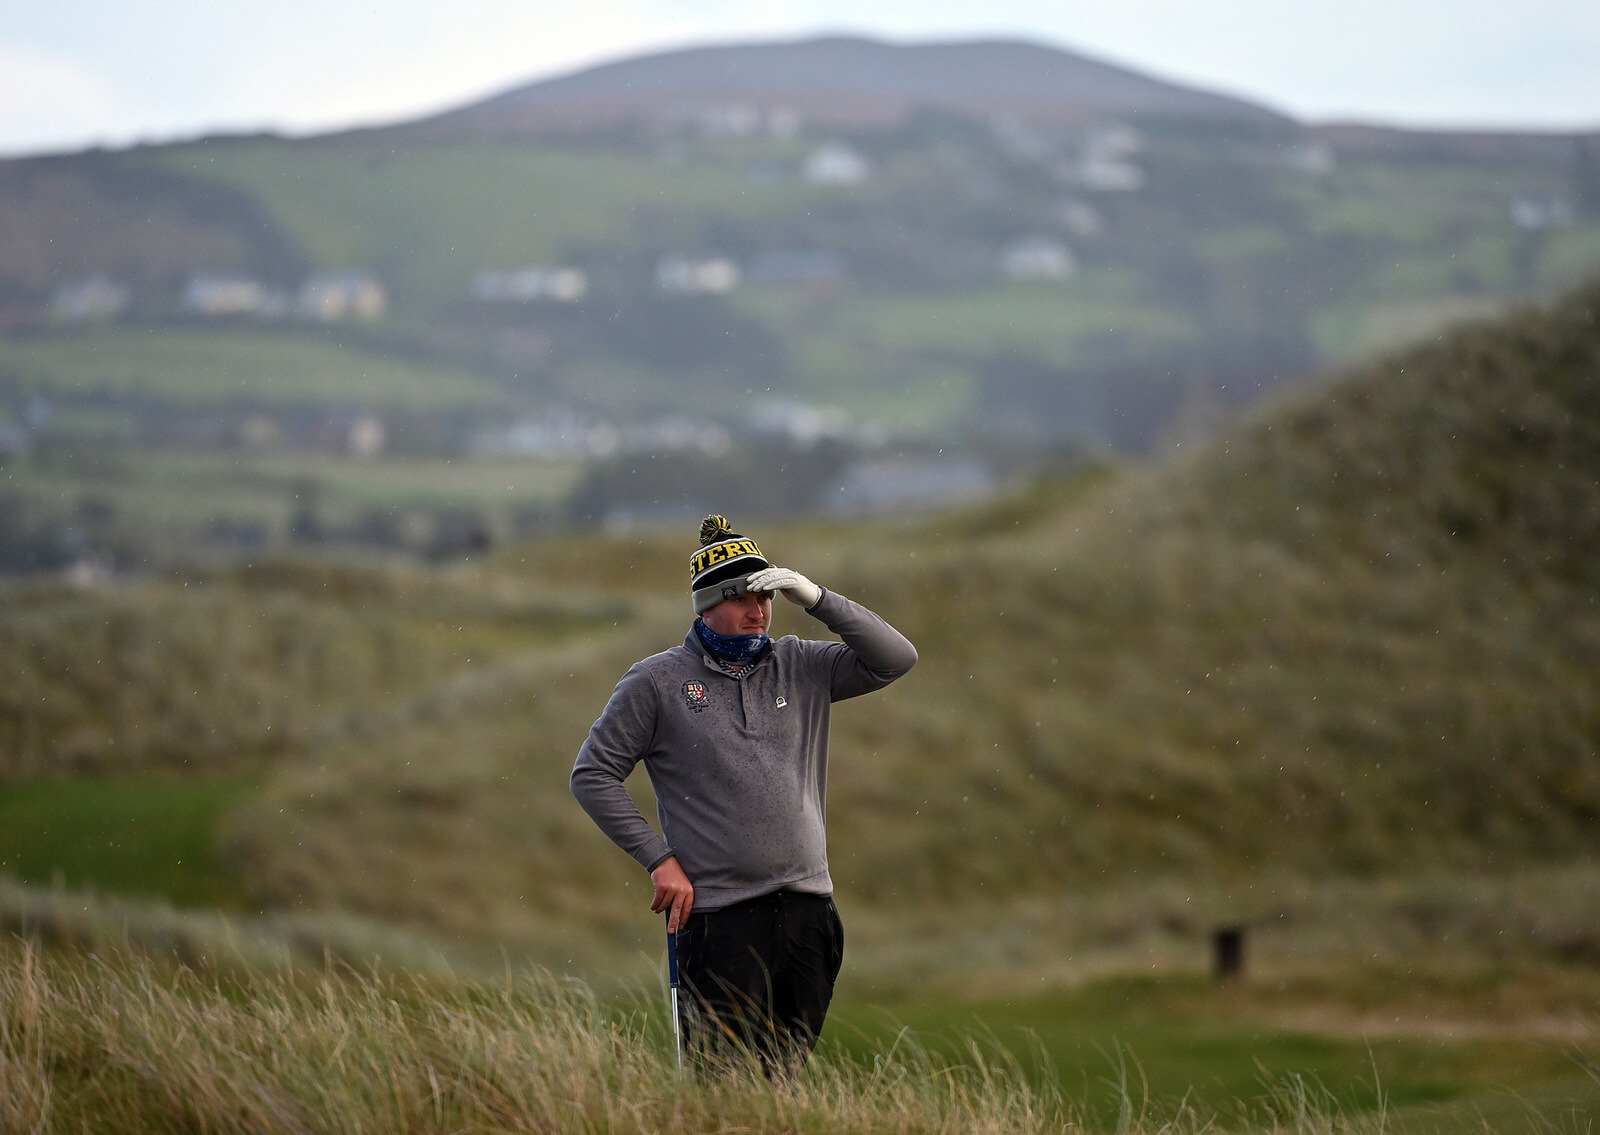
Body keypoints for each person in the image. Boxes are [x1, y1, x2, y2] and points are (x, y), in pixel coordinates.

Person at [570, 514, 917, 1072]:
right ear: (707, 606)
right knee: (720, 1080)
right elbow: (593, 774)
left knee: (784, 1077)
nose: (759, 610)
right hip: (719, 916)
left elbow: (896, 658)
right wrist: (659, 859)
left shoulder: (803, 664)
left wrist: (817, 597)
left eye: (767, 596)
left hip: (807, 910)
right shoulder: (656, 682)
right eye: (743, 599)